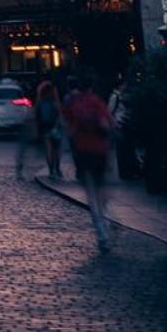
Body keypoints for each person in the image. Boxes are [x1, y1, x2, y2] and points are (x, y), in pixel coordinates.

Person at [62, 72, 115, 252]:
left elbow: (68, 128)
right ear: (92, 85)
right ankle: (106, 223)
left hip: (81, 152)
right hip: (98, 150)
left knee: (90, 194)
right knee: (102, 192)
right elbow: (106, 125)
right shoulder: (96, 102)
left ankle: (101, 232)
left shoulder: (73, 103)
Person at [34, 79, 64, 179]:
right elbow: (60, 115)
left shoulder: (40, 103)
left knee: (49, 149)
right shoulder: (55, 103)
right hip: (55, 127)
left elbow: (36, 117)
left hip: (45, 127)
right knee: (57, 149)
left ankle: (51, 170)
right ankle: (58, 168)